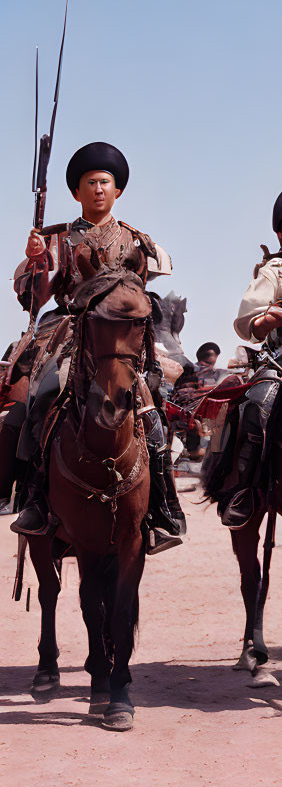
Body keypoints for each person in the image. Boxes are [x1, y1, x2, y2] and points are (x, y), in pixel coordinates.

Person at [8, 142, 185, 552]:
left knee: (152, 413)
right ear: (77, 192)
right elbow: (34, 301)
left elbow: (147, 286)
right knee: (43, 397)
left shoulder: (138, 241)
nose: (99, 188)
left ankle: (163, 507)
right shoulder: (55, 240)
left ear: (117, 190)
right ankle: (34, 499)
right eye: (90, 182)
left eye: (105, 181)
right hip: (68, 333)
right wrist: (35, 261)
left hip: (119, 340)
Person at [216, 181, 282, 528]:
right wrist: (267, 319)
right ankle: (245, 487)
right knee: (258, 404)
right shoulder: (272, 271)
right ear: (280, 233)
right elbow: (247, 320)